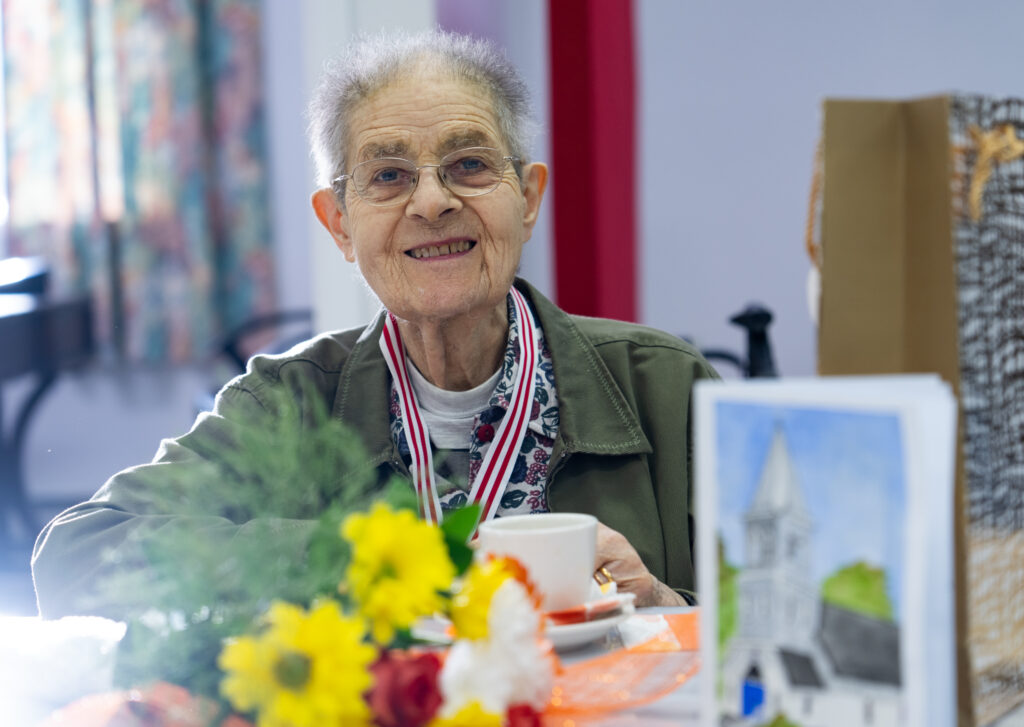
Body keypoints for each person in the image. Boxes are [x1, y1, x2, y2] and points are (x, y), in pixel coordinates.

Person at [32, 29, 718, 618]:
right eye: (387, 176)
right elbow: (77, 554)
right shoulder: (290, 405)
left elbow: (799, 629)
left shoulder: (666, 388)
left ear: (528, 198)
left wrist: (665, 607)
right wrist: (352, 561)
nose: (432, 201)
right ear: (339, 224)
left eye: (470, 165)